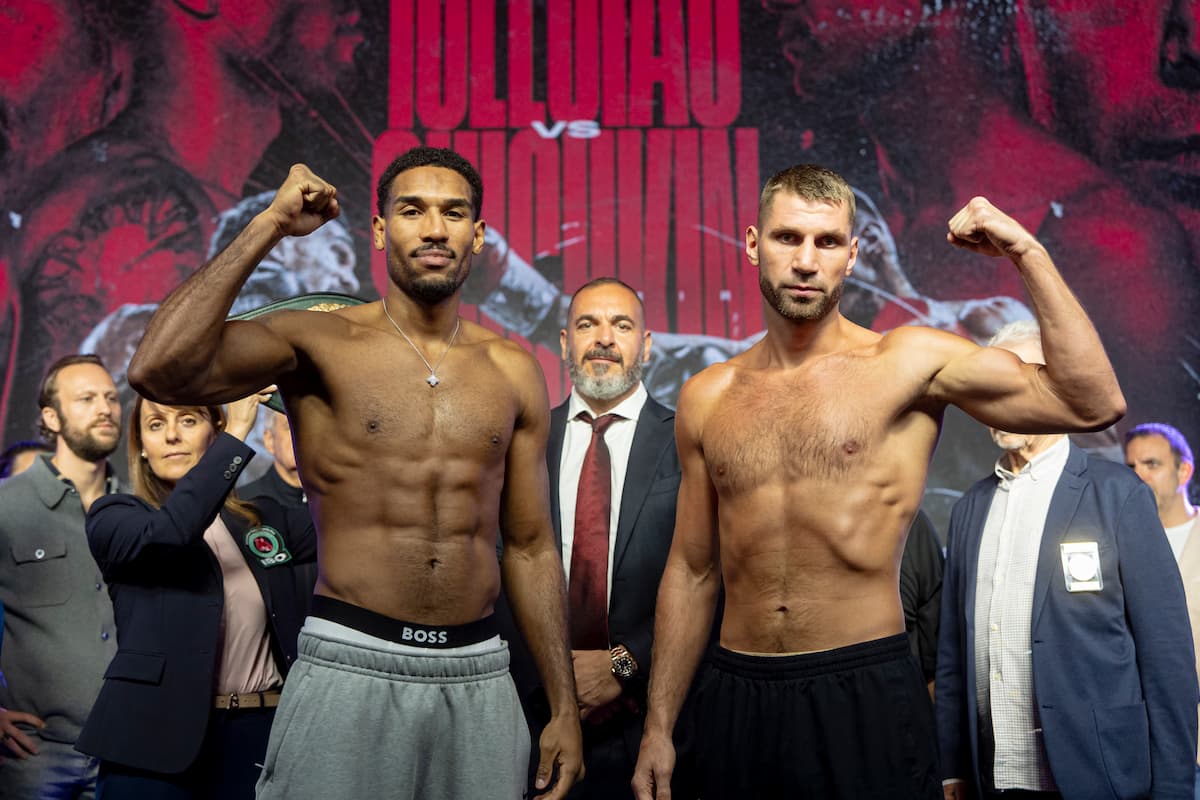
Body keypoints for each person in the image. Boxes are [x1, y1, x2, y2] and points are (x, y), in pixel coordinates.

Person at [631, 164, 1127, 799]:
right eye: (788, 239)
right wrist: (659, 725)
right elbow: (692, 570)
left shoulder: (909, 361)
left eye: (827, 242)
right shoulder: (708, 395)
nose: (807, 261)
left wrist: (1025, 251)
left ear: (853, 254)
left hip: (862, 687)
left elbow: (1092, 402)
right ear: (753, 244)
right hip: (737, 690)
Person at [125, 146, 583, 799]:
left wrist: (563, 707)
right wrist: (268, 227)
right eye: (411, 211)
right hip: (351, 660)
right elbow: (158, 371)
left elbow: (533, 547)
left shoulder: (513, 370)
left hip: (479, 670)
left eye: (453, 213)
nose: (432, 228)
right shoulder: (318, 342)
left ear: (477, 236)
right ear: (378, 230)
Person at [937, 323, 1197, 800]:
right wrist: (952, 768)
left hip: (1098, 779)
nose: (995, 400)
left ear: (1054, 384)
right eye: (986, 388)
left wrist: (1176, 789)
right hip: (991, 781)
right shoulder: (970, 509)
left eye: (1012, 383)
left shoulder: (1118, 497)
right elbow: (953, 656)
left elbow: (1168, 661)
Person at [74, 390, 314, 797]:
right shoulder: (115, 516)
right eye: (155, 425)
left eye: (188, 420)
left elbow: (348, 514)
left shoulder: (265, 517)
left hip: (260, 735)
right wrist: (237, 434)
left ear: (212, 431)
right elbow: (172, 534)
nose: (171, 435)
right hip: (151, 743)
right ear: (143, 450)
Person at [501, 277, 680, 799]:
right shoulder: (523, 446)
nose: (604, 338)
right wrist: (558, 682)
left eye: (622, 326)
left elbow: (712, 578)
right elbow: (501, 566)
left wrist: (623, 665)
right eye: (587, 324)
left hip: (653, 721)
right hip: (538, 719)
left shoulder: (685, 441)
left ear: (645, 345)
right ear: (563, 343)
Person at [0, 354, 122, 797]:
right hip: (34, 756)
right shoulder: (8, 507)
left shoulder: (135, 510)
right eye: (87, 398)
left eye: (110, 397)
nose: (105, 408)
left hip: (124, 749)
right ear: (51, 417)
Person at [1124, 421, 1200, 795]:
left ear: (1184, 471)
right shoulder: (1120, 547)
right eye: (1131, 467)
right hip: (1138, 747)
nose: (1139, 476)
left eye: (1151, 465)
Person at [242, 409, 317, 617]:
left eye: (309, 427)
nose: (301, 434)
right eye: (289, 426)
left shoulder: (341, 506)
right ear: (268, 439)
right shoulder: (245, 506)